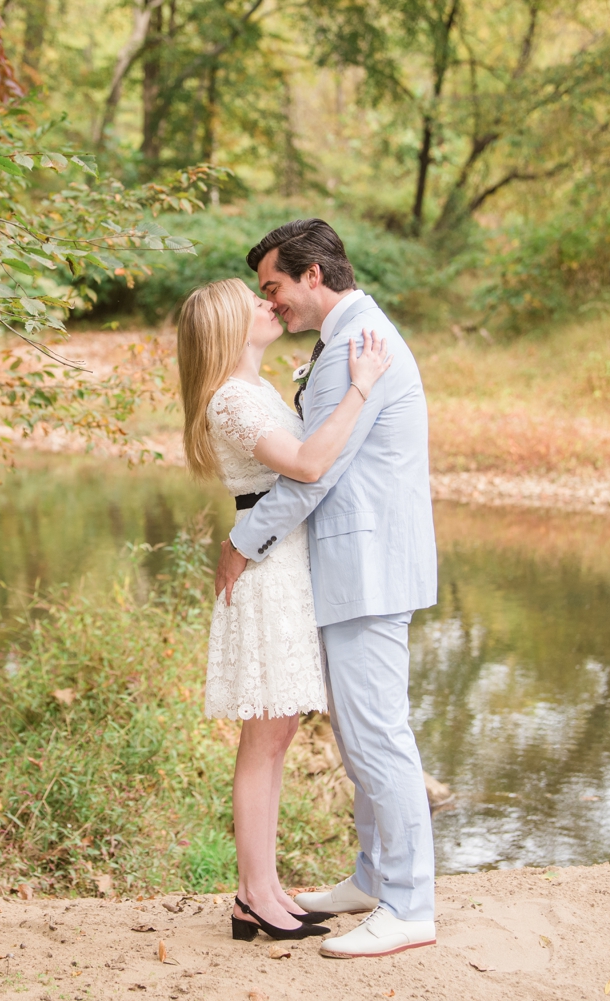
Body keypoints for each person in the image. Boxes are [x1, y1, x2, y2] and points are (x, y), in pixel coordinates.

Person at [214, 219, 440, 959]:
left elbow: (316, 472)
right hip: (357, 565)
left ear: (314, 276)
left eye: (274, 286)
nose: (270, 302)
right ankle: (375, 877)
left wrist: (242, 540)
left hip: (366, 565)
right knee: (359, 733)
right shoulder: (349, 337)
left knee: (377, 735)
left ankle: (409, 904)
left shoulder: (351, 344)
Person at [176, 277, 393, 941]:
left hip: (282, 567)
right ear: (226, 328)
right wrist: (361, 385)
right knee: (263, 743)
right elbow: (304, 463)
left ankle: (264, 887)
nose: (268, 304)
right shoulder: (233, 398)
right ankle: (252, 894)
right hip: (267, 576)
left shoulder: (255, 388)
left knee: (276, 740)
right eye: (254, 300)